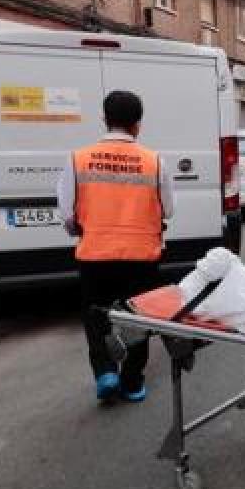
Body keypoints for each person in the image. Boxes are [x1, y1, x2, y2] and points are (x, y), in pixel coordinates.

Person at [57, 90, 174, 404]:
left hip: (95, 255)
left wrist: (81, 229)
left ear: (104, 119)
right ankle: (132, 381)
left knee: (97, 315)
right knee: (138, 318)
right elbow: (168, 210)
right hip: (142, 257)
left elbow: (66, 213)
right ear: (138, 124)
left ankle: (105, 372)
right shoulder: (154, 162)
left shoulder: (78, 159)